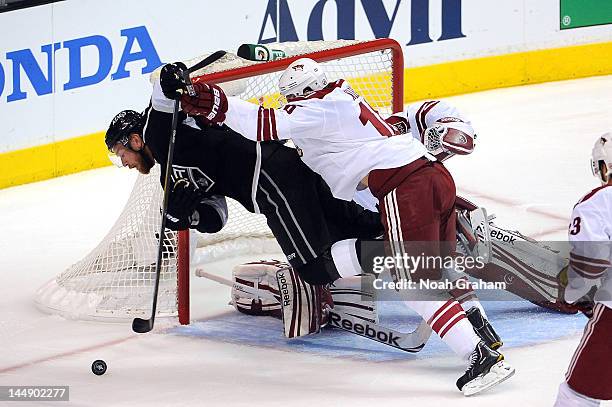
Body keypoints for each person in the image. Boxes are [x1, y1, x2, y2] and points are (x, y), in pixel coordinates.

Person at [176, 57, 514, 395]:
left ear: (306, 91)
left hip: (405, 186)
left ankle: (479, 356)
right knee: (434, 265)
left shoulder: (319, 108)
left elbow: (261, 124)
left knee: (412, 281)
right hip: (430, 177)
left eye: (292, 98)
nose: (290, 105)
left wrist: (206, 98)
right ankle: (479, 328)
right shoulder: (341, 100)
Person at [553, 133, 612, 407]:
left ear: (604, 167)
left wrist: (572, 293)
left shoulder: (598, 202)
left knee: (576, 395)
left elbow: (591, 264)